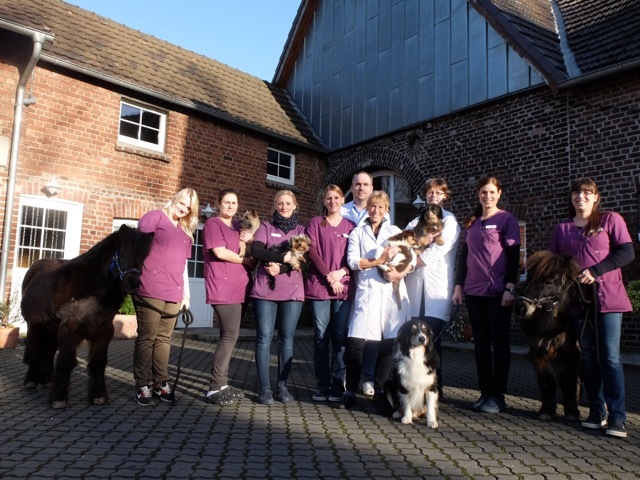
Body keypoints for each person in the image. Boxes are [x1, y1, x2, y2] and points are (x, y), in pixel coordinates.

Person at [549, 178, 634, 438]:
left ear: (596, 197)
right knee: (587, 356)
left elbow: (627, 252)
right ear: (571, 198)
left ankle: (618, 417)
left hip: (607, 299)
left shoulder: (610, 220)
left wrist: (596, 271)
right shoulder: (562, 229)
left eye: (587, 193)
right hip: (577, 302)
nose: (581, 197)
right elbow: (554, 263)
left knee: (610, 357)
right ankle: (597, 412)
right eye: (577, 193)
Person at [452, 177, 520, 414]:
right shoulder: (473, 222)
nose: (487, 196)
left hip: (498, 292)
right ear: (478, 194)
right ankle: (485, 391)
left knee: (499, 344)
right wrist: (458, 285)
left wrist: (510, 287)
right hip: (473, 291)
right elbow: (465, 256)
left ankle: (498, 396)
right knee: (480, 344)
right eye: (483, 192)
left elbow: (513, 256)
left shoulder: (507, 219)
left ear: (499, 194)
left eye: (491, 192)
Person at [339, 190, 411, 410]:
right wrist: (379, 260)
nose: (376, 210)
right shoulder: (357, 232)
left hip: (389, 294)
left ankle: (379, 390)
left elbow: (410, 258)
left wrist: (399, 273)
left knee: (387, 344)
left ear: (386, 209)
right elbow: (353, 261)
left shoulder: (395, 231)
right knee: (355, 344)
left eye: (381, 207)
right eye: (372, 206)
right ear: (367, 207)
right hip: (367, 293)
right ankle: (350, 390)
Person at [133, 187, 199, 406]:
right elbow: (136, 248)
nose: (183, 209)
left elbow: (184, 266)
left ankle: (160, 383)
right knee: (147, 337)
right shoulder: (154, 218)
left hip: (174, 292)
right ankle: (142, 385)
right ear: (175, 199)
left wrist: (186, 295)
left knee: (164, 339)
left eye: (188, 208)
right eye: (182, 203)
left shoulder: (185, 232)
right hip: (150, 288)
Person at [405, 178, 460, 397]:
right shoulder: (415, 221)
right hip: (415, 288)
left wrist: (409, 265)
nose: (433, 195)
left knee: (432, 342)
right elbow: (405, 243)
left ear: (445, 196)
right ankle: (415, 387)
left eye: (438, 192)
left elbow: (437, 251)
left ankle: (435, 389)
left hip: (436, 289)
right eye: (430, 192)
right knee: (413, 342)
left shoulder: (449, 221)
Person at [250, 190, 306, 405]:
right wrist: (283, 258)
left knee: (287, 340)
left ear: (295, 205)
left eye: (288, 203)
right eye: (280, 203)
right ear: (275, 205)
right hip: (265, 290)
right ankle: (265, 389)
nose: (284, 207)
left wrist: (280, 268)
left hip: (292, 291)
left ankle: (282, 386)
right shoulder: (266, 227)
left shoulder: (301, 230)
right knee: (264, 338)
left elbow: (303, 259)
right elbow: (257, 251)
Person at [202, 188, 256, 405]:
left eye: (234, 202)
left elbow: (248, 248)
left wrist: (251, 241)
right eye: (227, 202)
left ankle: (222, 383)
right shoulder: (212, 224)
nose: (231, 206)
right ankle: (215, 387)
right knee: (230, 335)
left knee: (228, 335)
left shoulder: (237, 227)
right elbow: (220, 252)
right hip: (223, 288)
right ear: (218, 203)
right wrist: (246, 261)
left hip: (239, 288)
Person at [306, 185, 356, 403]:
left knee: (339, 336)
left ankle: (338, 384)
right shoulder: (315, 223)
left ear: (342, 200)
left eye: (336, 197)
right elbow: (312, 251)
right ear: (324, 201)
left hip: (343, 288)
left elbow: (355, 255)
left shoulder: (351, 226)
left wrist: (341, 273)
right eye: (329, 198)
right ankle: (322, 384)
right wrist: (329, 276)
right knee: (320, 336)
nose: (333, 201)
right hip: (320, 287)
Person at [340, 171, 379, 396]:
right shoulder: (342, 211)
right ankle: (346, 375)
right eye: (357, 184)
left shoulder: (378, 213)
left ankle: (368, 377)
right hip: (346, 281)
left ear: (371, 188)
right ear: (352, 187)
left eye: (365, 184)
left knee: (372, 332)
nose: (361, 188)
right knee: (349, 332)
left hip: (370, 283)